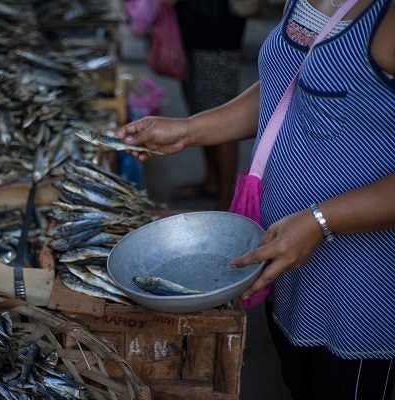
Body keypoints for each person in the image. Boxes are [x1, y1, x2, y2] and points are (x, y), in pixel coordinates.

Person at [117, 0, 395, 398]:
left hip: (360, 289)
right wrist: (190, 129)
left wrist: (320, 221)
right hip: (291, 272)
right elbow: (288, 84)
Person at [170, 0, 246, 210]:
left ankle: (226, 202)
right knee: (201, 108)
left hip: (217, 33)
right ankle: (212, 182)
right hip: (193, 30)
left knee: (223, 112)